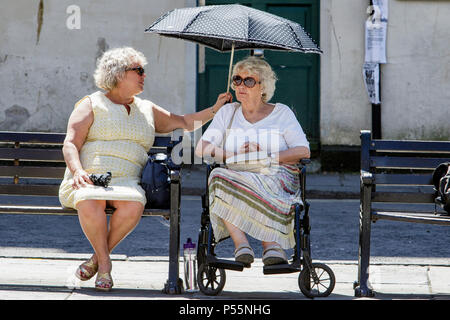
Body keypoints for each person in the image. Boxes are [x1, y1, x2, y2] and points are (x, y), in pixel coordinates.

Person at [59, 47, 231, 291]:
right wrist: (77, 171)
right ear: (118, 73)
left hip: (127, 181)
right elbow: (70, 143)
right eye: (138, 70)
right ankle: (105, 265)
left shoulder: (147, 109)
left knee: (134, 204)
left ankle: (96, 259)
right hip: (89, 178)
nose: (144, 75)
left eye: (144, 70)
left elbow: (183, 122)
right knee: (90, 199)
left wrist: (216, 109)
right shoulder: (91, 104)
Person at [195, 56, 310, 266]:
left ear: (263, 87)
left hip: (275, 174)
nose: (241, 86)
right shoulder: (228, 112)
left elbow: (303, 151)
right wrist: (233, 156)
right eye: (237, 80)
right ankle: (241, 245)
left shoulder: (281, 112)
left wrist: (265, 156)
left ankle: (271, 244)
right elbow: (202, 148)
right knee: (217, 176)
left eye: (249, 81)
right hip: (237, 174)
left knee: (257, 180)